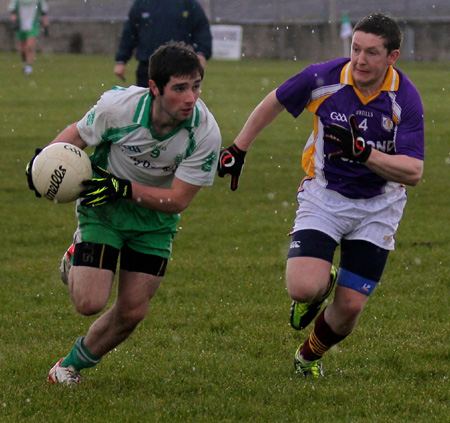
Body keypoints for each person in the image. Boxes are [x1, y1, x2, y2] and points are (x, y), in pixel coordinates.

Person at [217, 13, 424, 378]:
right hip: (324, 196)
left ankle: (308, 355)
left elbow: (414, 171)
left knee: (347, 313)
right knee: (303, 288)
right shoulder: (325, 78)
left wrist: (365, 155)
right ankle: (320, 282)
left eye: (372, 53)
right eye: (356, 49)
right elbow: (275, 100)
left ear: (392, 57)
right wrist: (239, 147)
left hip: (380, 206)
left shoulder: (404, 99)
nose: (360, 60)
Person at [25, 42, 221, 385]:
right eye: (180, 88)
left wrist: (124, 187)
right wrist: (44, 164)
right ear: (155, 88)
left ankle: (68, 367)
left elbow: (177, 200)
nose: (191, 98)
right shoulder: (119, 108)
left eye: (196, 86)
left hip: (155, 223)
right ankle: (77, 253)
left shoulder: (204, 132)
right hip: (104, 209)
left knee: (132, 311)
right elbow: (78, 134)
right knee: (89, 302)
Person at [114, 0, 212, 87]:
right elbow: (130, 33)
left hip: (180, 64)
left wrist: (201, 52)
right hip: (148, 66)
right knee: (148, 103)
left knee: (177, 103)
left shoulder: (188, 4)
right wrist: (121, 60)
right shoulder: (141, 4)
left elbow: (201, 29)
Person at [8, 0, 50, 75]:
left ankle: (29, 67)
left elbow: (44, 13)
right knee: (22, 50)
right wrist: (14, 21)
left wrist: (46, 25)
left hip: (33, 26)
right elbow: (13, 11)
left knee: (29, 47)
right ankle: (25, 63)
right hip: (21, 26)